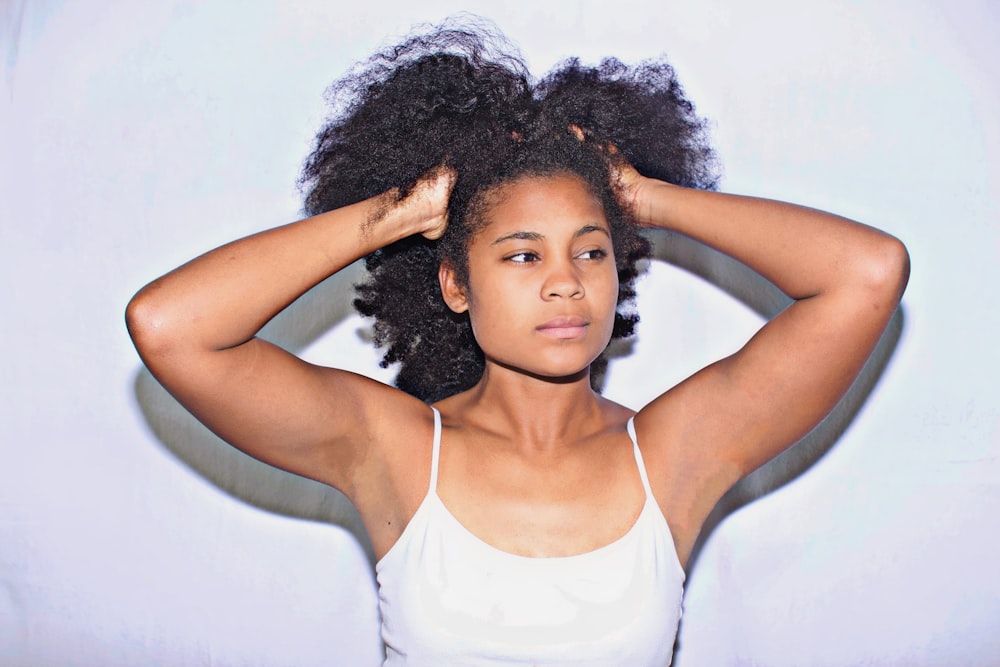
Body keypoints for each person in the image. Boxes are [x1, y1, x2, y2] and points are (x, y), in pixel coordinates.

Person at [125, 19, 909, 667]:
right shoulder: (394, 449)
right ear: (455, 284)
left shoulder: (671, 454)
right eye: (523, 254)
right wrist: (400, 213)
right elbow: (171, 327)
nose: (565, 281)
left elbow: (870, 274)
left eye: (591, 249)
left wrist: (642, 197)